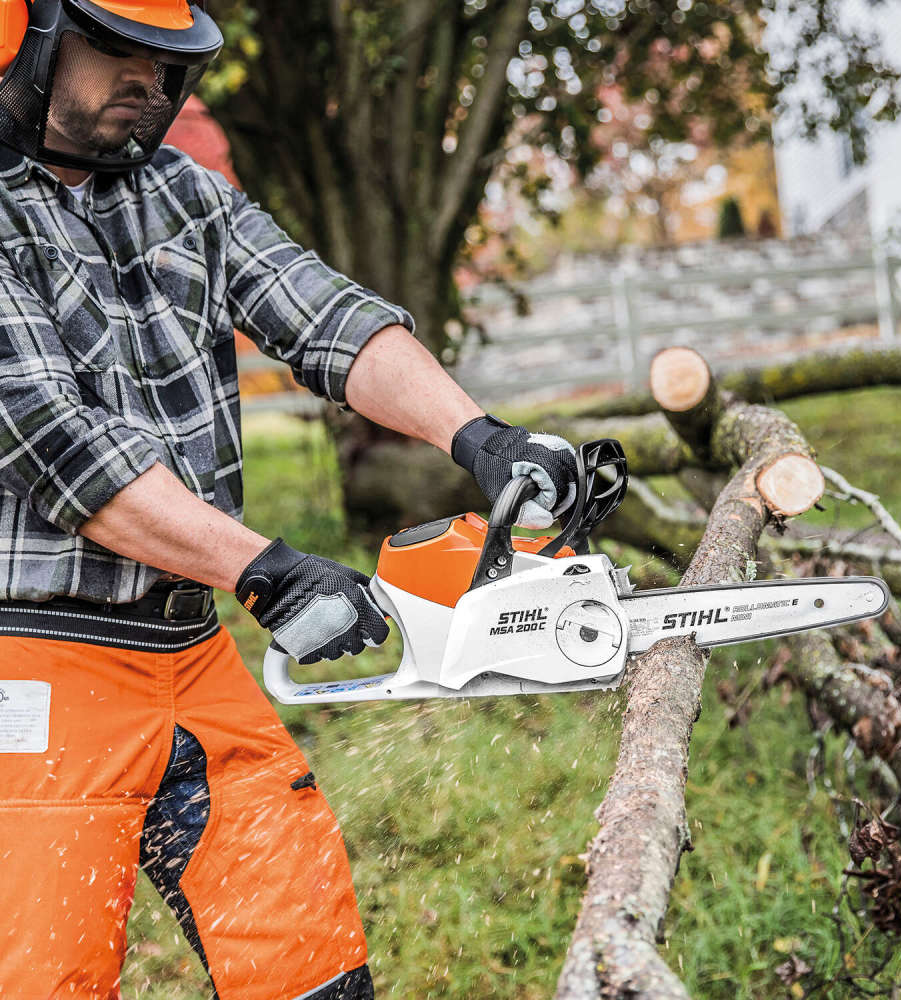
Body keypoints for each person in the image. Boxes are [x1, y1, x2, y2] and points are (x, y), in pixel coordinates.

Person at [0, 2, 578, 997]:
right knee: (45, 980)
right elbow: (62, 449)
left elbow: (325, 315)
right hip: (38, 678)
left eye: (163, 59)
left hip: (189, 652)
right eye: (119, 52)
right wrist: (262, 566)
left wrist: (475, 435)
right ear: (26, 41)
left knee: (311, 967)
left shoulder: (183, 195)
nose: (148, 78)